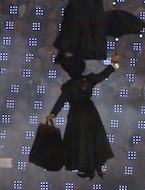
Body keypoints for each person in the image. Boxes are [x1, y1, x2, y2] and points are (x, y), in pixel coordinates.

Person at [45, 52, 120, 180]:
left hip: (77, 115)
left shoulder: (68, 87)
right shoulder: (88, 80)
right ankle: (95, 165)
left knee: (79, 141)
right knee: (92, 139)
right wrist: (113, 63)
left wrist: (53, 114)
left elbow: (61, 101)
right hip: (89, 113)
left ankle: (86, 167)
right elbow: (103, 75)